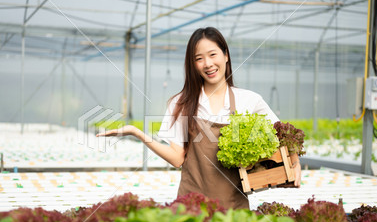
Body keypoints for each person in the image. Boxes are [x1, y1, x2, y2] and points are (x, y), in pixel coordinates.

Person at [97, 27, 301, 209]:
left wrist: (294, 161)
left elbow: (284, 134)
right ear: (192, 64)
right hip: (190, 206)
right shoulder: (180, 103)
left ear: (226, 55)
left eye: (213, 55)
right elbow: (178, 158)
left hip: (233, 208)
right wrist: (137, 133)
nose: (208, 64)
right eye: (199, 58)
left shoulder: (249, 100)